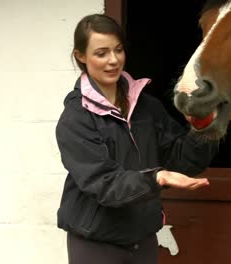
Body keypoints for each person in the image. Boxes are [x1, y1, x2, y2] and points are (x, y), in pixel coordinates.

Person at [55, 13, 218, 264]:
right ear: (81, 56)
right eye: (101, 53)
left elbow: (181, 161)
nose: (113, 61)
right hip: (96, 244)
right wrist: (156, 177)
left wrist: (203, 127)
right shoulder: (76, 119)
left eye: (118, 50)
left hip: (142, 240)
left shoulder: (147, 107)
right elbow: (104, 183)